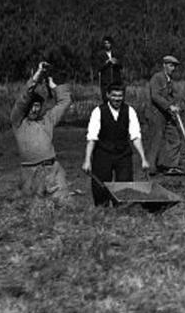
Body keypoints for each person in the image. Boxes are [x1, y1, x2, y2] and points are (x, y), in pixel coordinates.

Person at [9, 61, 72, 202]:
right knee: (32, 210)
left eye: (38, 106)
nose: (35, 109)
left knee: (65, 207)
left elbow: (64, 102)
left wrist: (54, 86)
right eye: (32, 106)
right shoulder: (18, 121)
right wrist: (37, 75)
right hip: (30, 173)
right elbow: (24, 97)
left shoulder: (47, 120)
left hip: (53, 171)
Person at [83, 83, 151, 205]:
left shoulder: (129, 111)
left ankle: (121, 212)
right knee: (100, 186)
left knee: (124, 186)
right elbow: (92, 138)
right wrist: (87, 160)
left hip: (123, 153)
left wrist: (143, 158)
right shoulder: (98, 112)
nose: (117, 99)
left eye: (120, 96)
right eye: (114, 95)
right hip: (103, 153)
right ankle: (101, 212)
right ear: (108, 95)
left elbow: (135, 136)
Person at [147, 55, 185, 175]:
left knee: (175, 137)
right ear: (164, 65)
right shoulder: (157, 78)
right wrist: (169, 106)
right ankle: (150, 168)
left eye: (175, 66)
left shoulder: (171, 81)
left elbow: (174, 96)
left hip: (168, 114)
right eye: (171, 65)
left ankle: (171, 165)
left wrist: (178, 105)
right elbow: (155, 96)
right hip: (156, 114)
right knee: (156, 140)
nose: (173, 68)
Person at [98, 35, 123, 99]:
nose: (107, 45)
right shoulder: (100, 55)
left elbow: (121, 65)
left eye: (108, 43)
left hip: (115, 81)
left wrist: (116, 62)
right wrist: (106, 62)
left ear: (111, 43)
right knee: (105, 98)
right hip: (105, 81)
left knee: (115, 98)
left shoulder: (116, 53)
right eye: (105, 43)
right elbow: (98, 68)